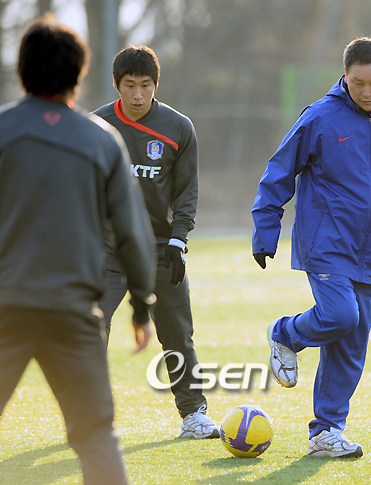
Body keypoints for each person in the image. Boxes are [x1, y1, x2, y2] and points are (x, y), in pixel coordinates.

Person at [0, 15, 156, 485]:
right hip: (73, 314)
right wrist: (142, 306)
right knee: (95, 437)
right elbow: (133, 233)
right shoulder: (101, 140)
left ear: (21, 69)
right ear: (79, 73)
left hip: (0, 312)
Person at [252, 37, 371, 458]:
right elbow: (278, 172)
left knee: (352, 343)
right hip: (326, 243)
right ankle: (285, 333)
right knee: (341, 315)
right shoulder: (320, 117)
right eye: (358, 83)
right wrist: (265, 230)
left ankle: (325, 433)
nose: (367, 92)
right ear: (345, 76)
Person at [93, 46, 219, 439]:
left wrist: (179, 240)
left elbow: (186, 192)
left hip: (161, 249)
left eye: (145, 85)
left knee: (177, 332)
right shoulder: (95, 127)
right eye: (130, 85)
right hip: (108, 249)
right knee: (91, 327)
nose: (138, 94)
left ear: (156, 85)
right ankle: (90, 417)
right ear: (117, 85)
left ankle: (193, 414)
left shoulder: (178, 128)